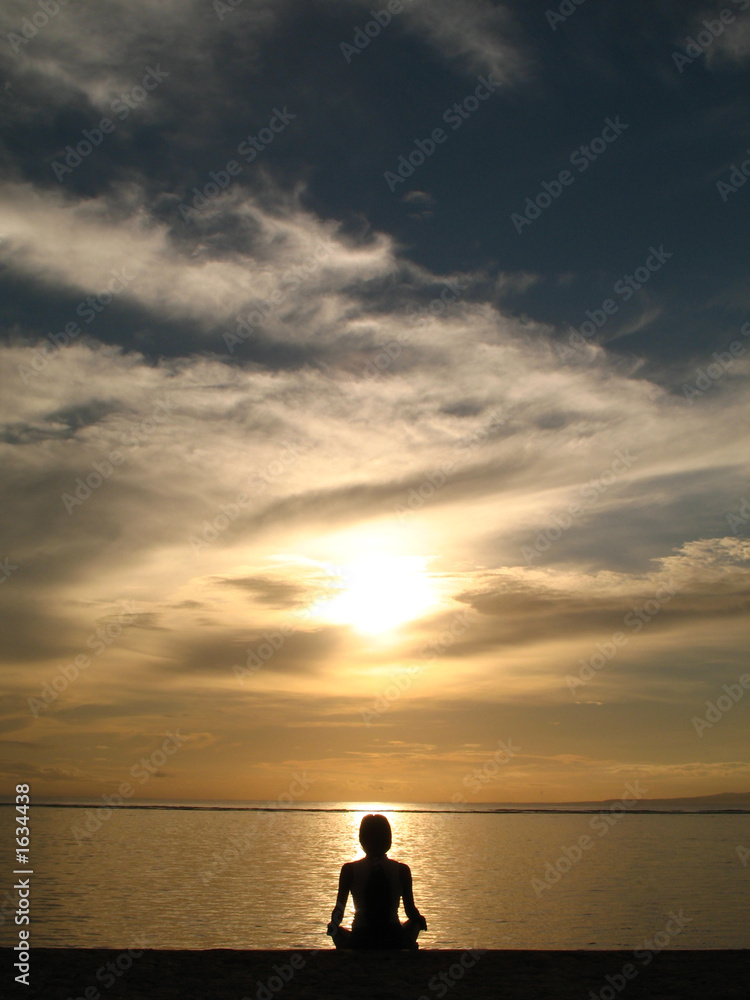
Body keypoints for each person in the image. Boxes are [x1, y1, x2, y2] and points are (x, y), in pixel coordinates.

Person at [326, 813, 428, 950]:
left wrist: (333, 925)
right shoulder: (402, 870)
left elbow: (338, 913)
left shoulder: (349, 870)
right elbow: (411, 912)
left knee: (336, 930)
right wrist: (420, 920)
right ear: (388, 840)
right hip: (393, 937)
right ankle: (408, 947)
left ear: (362, 840)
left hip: (361, 938)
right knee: (415, 923)